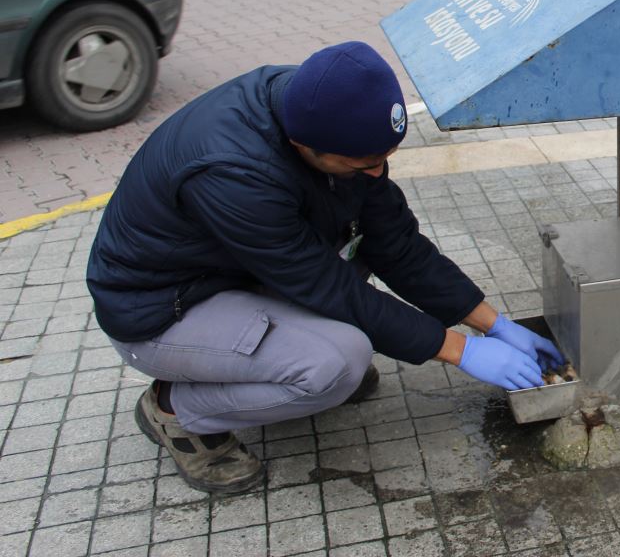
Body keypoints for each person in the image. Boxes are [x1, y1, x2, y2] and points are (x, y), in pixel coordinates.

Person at [86, 41, 564, 494]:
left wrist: (492, 322)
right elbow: (328, 288)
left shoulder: (334, 116)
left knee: (356, 273)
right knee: (337, 363)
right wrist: (462, 351)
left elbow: (396, 245)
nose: (377, 174)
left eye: (385, 159)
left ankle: (275, 366)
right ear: (303, 144)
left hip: (239, 273)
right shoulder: (235, 174)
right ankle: (175, 411)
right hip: (163, 309)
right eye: (362, 165)